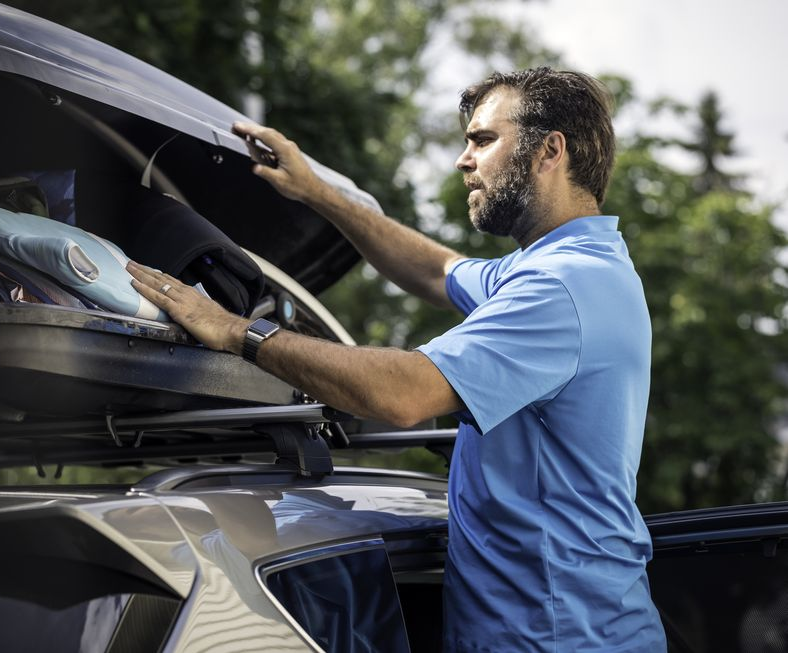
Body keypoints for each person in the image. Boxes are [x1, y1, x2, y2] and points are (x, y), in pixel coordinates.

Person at [127, 66, 667, 652]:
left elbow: (404, 395)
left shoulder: (561, 290)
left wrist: (240, 333)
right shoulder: (568, 266)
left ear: (549, 151)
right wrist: (317, 193)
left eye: (483, 140)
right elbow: (436, 269)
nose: (464, 160)